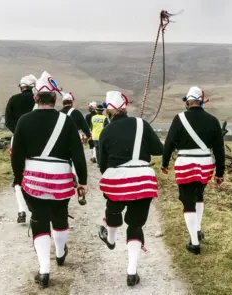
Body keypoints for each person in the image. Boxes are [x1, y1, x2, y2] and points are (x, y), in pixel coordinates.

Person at [11, 71, 88, 288]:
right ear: (55, 99)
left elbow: (17, 155)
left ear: (36, 98)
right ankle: (61, 252)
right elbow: (78, 155)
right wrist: (82, 180)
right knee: (60, 215)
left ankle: (44, 270)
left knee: (39, 219)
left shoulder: (24, 121)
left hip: (33, 180)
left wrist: (18, 178)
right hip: (61, 179)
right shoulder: (67, 121)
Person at [97, 91, 163, 286]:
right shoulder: (142, 124)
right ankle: (132, 271)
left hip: (117, 180)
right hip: (143, 179)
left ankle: (110, 238)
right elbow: (158, 150)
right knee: (135, 225)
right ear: (125, 108)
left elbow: (103, 165)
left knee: (114, 209)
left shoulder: (106, 132)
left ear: (108, 111)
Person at [161, 86, 225, 255]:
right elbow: (219, 149)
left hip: (185, 163)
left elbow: (169, 143)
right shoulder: (212, 120)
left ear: (188, 101)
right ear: (202, 102)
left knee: (187, 200)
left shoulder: (179, 118)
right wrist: (220, 173)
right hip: (205, 164)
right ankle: (197, 230)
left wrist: (164, 163)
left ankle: (194, 243)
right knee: (199, 196)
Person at [5, 74, 37, 223]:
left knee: (18, 174)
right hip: (37, 141)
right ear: (33, 86)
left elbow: (8, 121)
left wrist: (17, 133)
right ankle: (36, 208)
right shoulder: (38, 100)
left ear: (21, 86)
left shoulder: (13, 99)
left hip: (17, 140)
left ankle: (21, 210)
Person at [90, 103, 109, 167]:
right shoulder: (104, 118)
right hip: (101, 136)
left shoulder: (93, 117)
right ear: (102, 111)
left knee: (97, 149)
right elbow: (107, 128)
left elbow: (91, 127)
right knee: (102, 150)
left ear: (97, 110)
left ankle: (98, 163)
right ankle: (102, 163)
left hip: (94, 136)